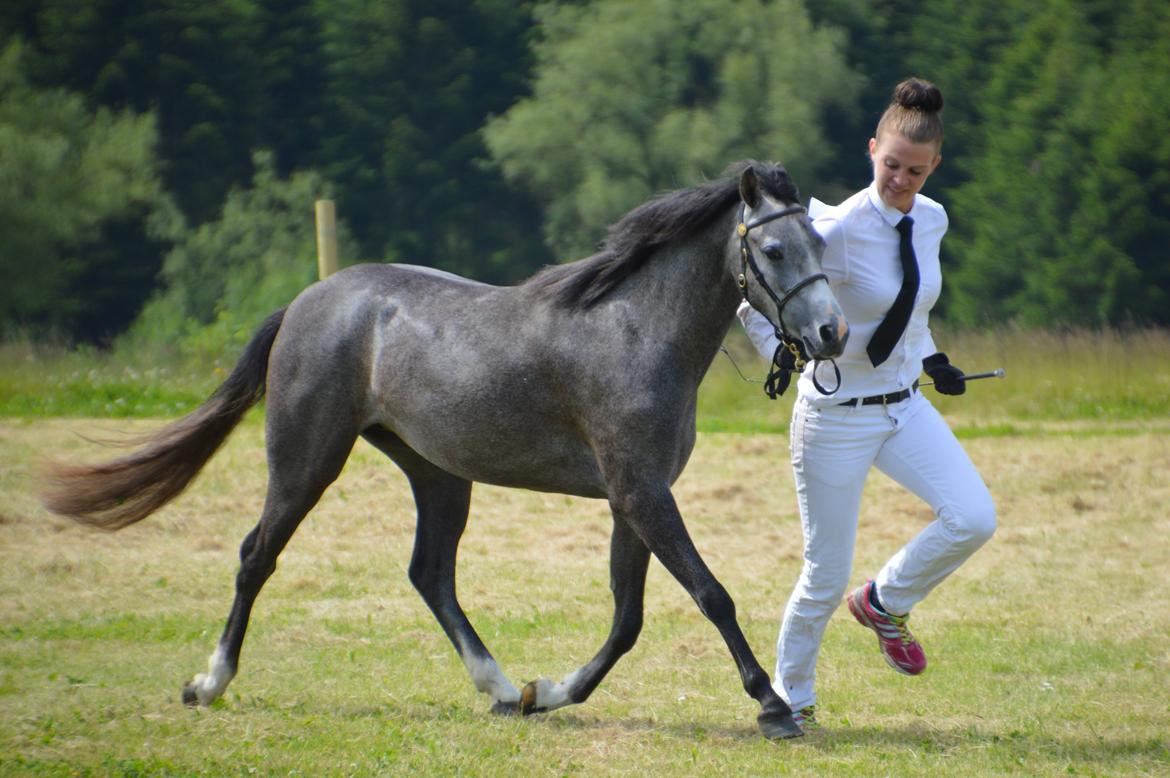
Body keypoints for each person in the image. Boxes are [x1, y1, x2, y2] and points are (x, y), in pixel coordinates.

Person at [737, 77, 996, 731]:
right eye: (891, 165)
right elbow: (753, 295)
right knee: (825, 574)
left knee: (973, 517)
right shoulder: (836, 227)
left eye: (915, 170)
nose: (901, 179)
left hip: (905, 405)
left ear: (934, 165)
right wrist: (784, 350)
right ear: (872, 148)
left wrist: (933, 358)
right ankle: (790, 699)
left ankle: (885, 601)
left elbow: (910, 304)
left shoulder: (932, 219)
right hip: (835, 417)